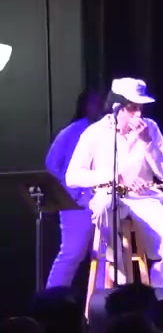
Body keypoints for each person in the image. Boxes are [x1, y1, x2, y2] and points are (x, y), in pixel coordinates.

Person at [65, 77, 163, 287]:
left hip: (144, 199)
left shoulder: (150, 128)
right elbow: (73, 176)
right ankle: (117, 270)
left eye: (141, 108)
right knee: (105, 206)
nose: (138, 114)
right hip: (109, 196)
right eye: (132, 108)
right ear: (117, 107)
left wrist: (148, 143)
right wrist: (115, 176)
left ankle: (155, 292)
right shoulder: (94, 133)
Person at [44, 88, 106, 288]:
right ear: (85, 106)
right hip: (76, 203)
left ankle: (100, 301)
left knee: (105, 256)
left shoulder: (108, 132)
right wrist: (72, 189)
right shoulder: (72, 131)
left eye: (102, 103)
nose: (101, 107)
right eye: (96, 103)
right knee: (72, 253)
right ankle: (52, 298)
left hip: (103, 201)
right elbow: (52, 163)